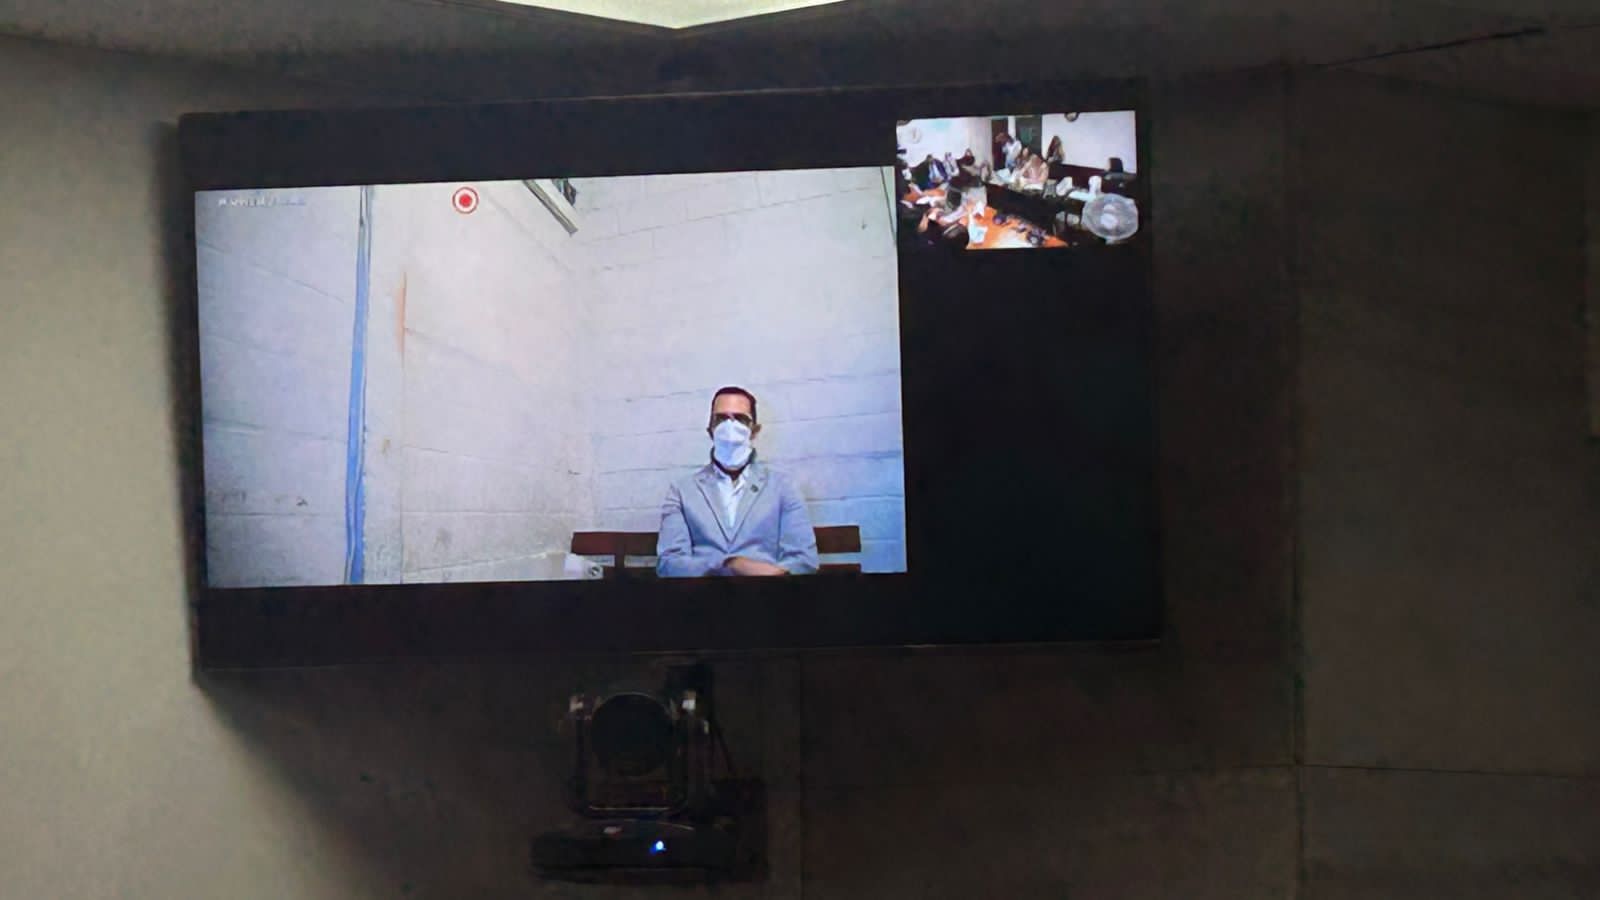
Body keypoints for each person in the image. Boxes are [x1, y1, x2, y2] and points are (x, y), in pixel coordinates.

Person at [656, 387, 819, 577]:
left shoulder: (783, 487)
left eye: (740, 419)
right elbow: (669, 564)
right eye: (721, 419)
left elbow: (804, 560)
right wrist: (728, 565)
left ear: (754, 431)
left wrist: (773, 574)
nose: (730, 426)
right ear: (710, 430)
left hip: (766, 592)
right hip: (702, 593)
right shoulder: (682, 491)